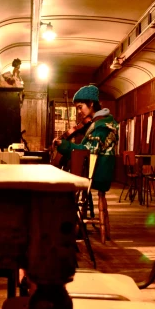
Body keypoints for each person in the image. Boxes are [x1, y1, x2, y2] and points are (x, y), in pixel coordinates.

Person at [53, 84, 119, 242]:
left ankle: (67, 225)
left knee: (66, 183)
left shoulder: (102, 126)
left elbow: (87, 150)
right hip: (96, 169)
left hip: (98, 172)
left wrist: (65, 145)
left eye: (80, 107)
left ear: (91, 104)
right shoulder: (99, 123)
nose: (79, 111)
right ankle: (75, 224)